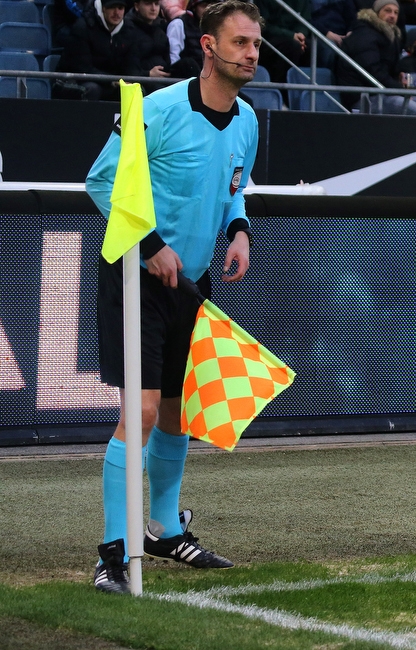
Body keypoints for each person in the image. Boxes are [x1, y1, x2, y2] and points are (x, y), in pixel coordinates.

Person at [84, 0, 263, 595]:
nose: (252, 54)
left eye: (255, 44)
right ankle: (114, 553)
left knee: (178, 415)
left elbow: (235, 185)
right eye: (239, 43)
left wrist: (237, 228)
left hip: (192, 284)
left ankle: (162, 529)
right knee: (138, 414)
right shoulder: (154, 109)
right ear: (208, 47)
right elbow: (102, 181)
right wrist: (152, 245)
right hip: (134, 275)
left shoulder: (248, 120)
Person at [336, 0, 416, 114]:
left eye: (396, 12)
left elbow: (385, 68)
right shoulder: (365, 34)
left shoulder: (388, 35)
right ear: (376, 13)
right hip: (363, 96)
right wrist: (399, 89)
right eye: (388, 11)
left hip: (381, 91)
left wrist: (397, 76)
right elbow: (373, 71)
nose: (392, 16)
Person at [54, 0, 140, 101]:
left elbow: (132, 65)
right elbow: (83, 68)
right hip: (73, 80)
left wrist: (128, 81)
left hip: (110, 81)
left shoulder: (129, 30)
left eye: (120, 8)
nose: (117, 13)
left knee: (136, 89)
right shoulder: (82, 27)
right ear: (103, 8)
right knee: (92, 89)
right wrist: (112, 80)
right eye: (112, 7)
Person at [254, 0, 311, 84]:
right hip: (269, 39)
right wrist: (292, 35)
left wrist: (301, 35)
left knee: (313, 48)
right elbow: (263, 25)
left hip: (296, 38)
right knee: (292, 46)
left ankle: (305, 92)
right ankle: (282, 90)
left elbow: (305, 21)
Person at [128, 0, 173, 85]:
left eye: (156, 4)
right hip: (143, 81)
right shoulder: (128, 29)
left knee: (187, 64)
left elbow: (167, 60)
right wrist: (148, 74)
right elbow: (129, 68)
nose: (153, 8)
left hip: (163, 77)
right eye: (148, 3)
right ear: (137, 6)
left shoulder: (161, 31)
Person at [166, 0, 212, 79]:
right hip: (185, 77)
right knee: (188, 63)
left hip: (207, 74)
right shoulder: (178, 24)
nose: (207, 10)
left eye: (210, 6)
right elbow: (173, 59)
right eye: (204, 6)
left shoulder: (213, 27)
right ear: (194, 8)